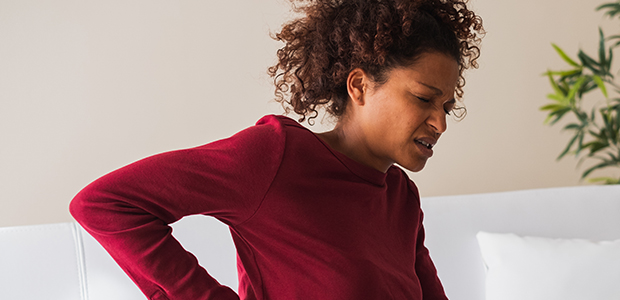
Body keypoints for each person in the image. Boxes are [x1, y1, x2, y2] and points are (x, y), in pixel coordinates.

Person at [69, 0, 483, 299]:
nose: (441, 123)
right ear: (359, 86)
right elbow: (105, 204)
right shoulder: (277, 158)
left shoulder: (401, 198)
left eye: (447, 106)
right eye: (424, 99)